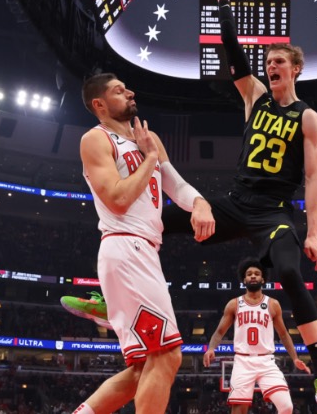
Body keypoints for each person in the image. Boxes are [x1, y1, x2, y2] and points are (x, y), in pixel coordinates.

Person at [66, 0, 317, 412]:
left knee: (291, 274)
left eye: (280, 62)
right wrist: (222, 0)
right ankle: (111, 299)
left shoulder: (307, 117)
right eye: (269, 62)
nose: (271, 67)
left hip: (273, 213)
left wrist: (313, 231)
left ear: (296, 69)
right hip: (235, 204)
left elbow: (314, 178)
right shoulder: (254, 96)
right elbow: (234, 55)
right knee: (146, 219)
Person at [73, 73, 215, 414]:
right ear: (100, 104)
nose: (131, 92)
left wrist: (200, 203)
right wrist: (149, 158)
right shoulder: (95, 139)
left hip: (144, 252)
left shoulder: (147, 138)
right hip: (125, 247)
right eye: (120, 91)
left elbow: (177, 186)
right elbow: (117, 199)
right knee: (168, 354)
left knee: (143, 368)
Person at [203, 257, 311, 414]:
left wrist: (295, 358)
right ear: (244, 279)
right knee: (239, 410)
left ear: (263, 279)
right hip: (242, 361)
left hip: (267, 361)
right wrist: (211, 348)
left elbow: (283, 334)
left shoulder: (273, 304)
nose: (253, 276)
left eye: (256, 273)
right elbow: (220, 331)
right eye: (249, 274)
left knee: (286, 407)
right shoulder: (234, 304)